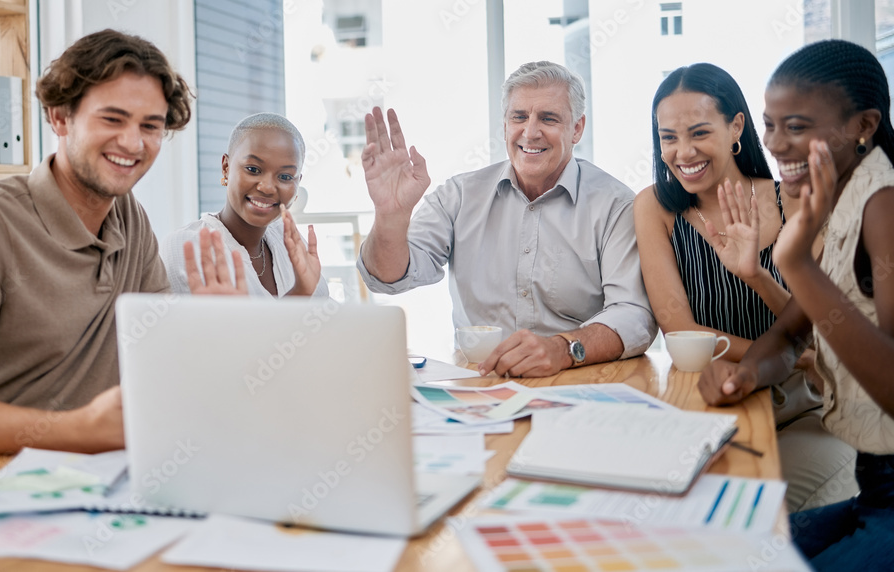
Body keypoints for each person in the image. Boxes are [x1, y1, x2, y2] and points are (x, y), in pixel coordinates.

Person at [0, 29, 241, 483]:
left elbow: (159, 370)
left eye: (150, 126)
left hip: (73, 487)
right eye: (112, 119)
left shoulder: (130, 221)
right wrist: (77, 432)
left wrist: (214, 334)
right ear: (60, 117)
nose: (134, 144)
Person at [698, 40, 894, 569]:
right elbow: (790, 335)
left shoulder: (884, 207)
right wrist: (746, 374)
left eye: (798, 127)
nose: (776, 144)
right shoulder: (844, 202)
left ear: (864, 125)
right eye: (771, 125)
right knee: (723, 553)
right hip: (876, 492)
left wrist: (798, 264)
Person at [635, 63, 856, 512]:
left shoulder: (794, 197)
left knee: (761, 516)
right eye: (668, 137)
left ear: (736, 125)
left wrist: (754, 274)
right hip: (708, 405)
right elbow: (680, 330)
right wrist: (777, 354)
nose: (682, 152)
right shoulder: (655, 208)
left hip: (801, 406)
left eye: (699, 132)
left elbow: (817, 327)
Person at [356, 61, 656, 377]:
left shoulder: (615, 204)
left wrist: (563, 348)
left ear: (577, 128)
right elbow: (388, 278)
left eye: (548, 118)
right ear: (504, 125)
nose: (530, 132)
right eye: (519, 117)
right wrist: (390, 216)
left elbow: (634, 315)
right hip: (479, 383)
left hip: (577, 379)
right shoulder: (459, 195)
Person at [162, 112, 327, 297]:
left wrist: (302, 290)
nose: (267, 187)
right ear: (226, 168)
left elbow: (327, 321)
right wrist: (300, 293)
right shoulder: (186, 248)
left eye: (285, 177)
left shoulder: (288, 242)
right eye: (253, 169)